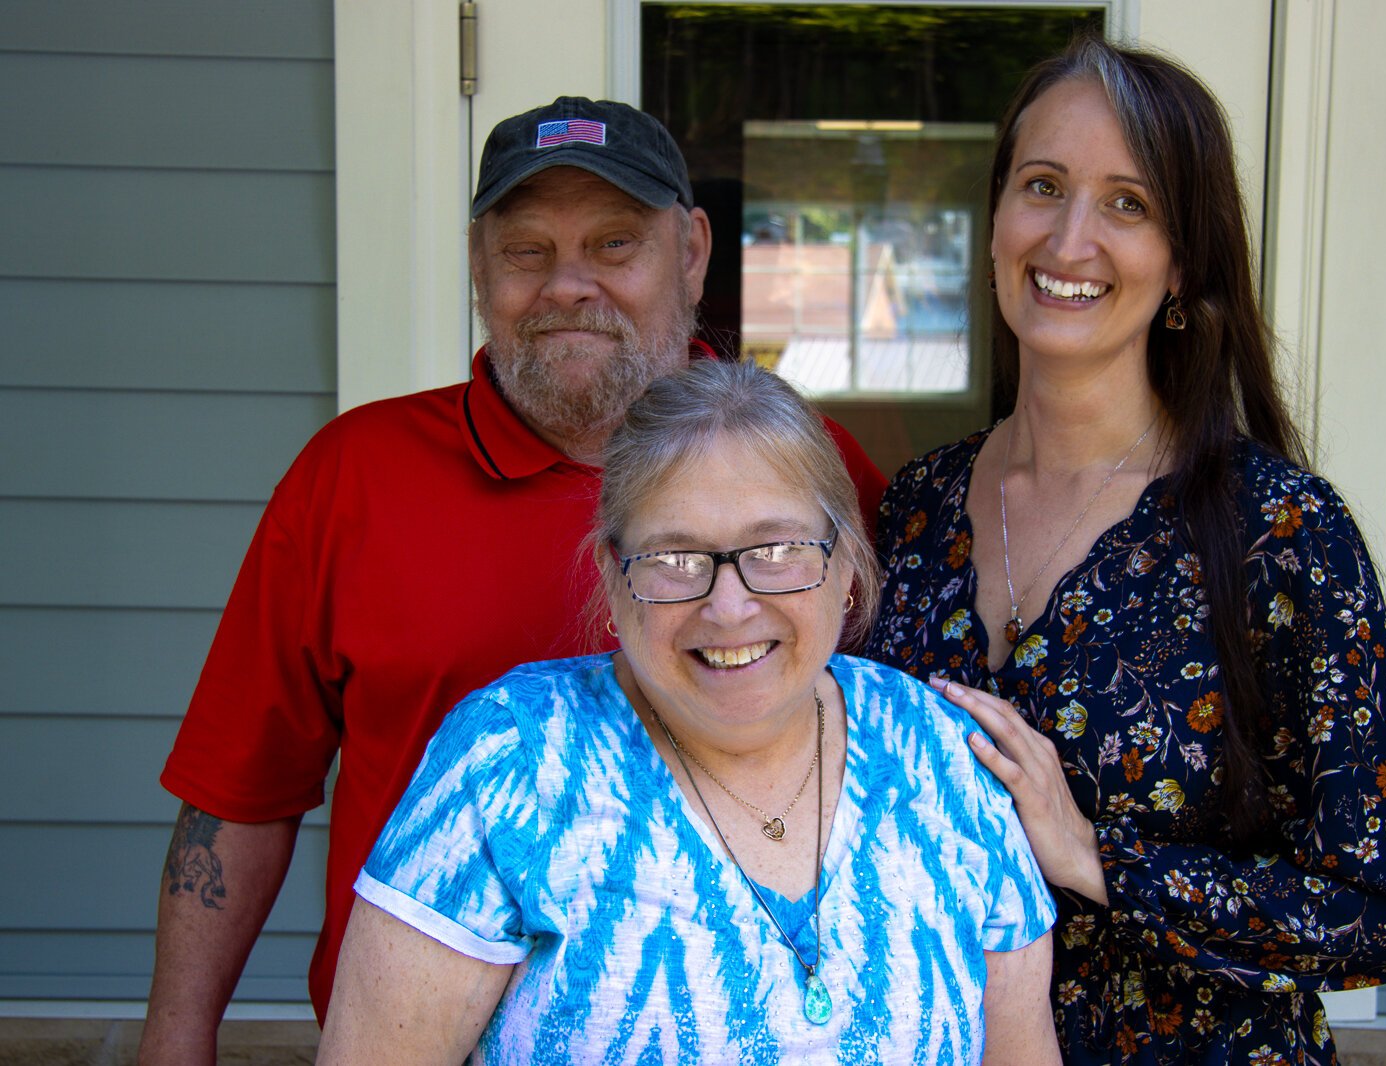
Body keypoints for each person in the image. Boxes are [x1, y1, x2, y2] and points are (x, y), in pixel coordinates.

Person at [140, 97, 887, 1062]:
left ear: (692, 252)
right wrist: (176, 1033)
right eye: (527, 251)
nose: (568, 285)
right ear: (478, 265)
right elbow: (241, 788)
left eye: (615, 244)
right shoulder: (353, 477)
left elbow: (888, 749)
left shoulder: (809, 473)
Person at [866, 36, 1386, 1065]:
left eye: (1126, 203)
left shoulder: (1281, 532)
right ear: (997, 219)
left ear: (1181, 262)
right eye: (1041, 186)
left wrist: (1096, 857)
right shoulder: (913, 510)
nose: (1070, 236)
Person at [316, 358, 1060, 1064]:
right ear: (612, 579)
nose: (729, 607)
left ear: (844, 567)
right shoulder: (512, 758)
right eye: (674, 560)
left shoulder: (944, 758)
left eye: (776, 548)